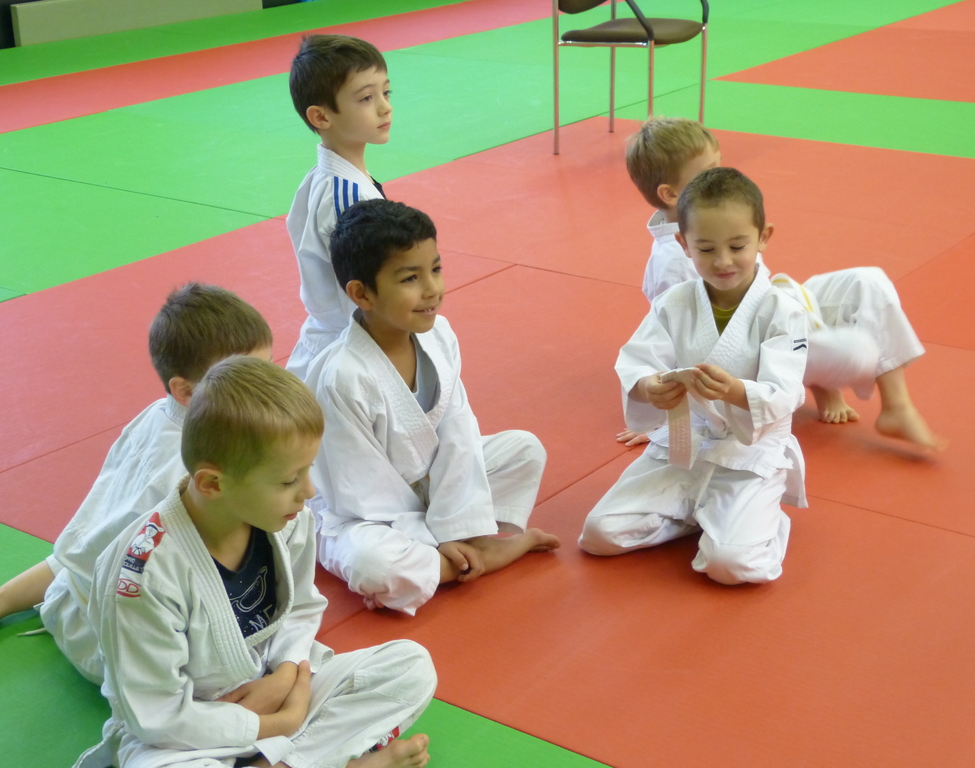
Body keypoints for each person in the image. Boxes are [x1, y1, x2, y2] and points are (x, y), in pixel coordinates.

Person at [74, 356, 436, 768]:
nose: (308, 491)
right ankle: (323, 759)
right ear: (213, 483)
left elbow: (300, 608)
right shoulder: (143, 573)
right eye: (288, 480)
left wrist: (286, 673)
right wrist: (278, 723)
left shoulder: (285, 518)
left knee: (409, 667)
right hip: (185, 736)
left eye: (307, 471)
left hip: (274, 689)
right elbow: (155, 715)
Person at [0, 284, 273, 685]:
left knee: (77, 555)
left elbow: (86, 541)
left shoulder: (157, 415)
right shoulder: (194, 469)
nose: (266, 390)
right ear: (186, 392)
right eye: (244, 381)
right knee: (242, 667)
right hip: (111, 636)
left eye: (268, 371)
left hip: (77, 579)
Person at [620, 116, 942, 450]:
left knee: (867, 281)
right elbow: (682, 344)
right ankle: (822, 381)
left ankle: (896, 406)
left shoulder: (717, 216)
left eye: (720, 164)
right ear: (671, 194)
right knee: (859, 351)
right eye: (707, 172)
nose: (720, 176)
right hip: (759, 347)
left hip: (778, 305)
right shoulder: (673, 263)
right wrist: (666, 416)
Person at [306, 199, 560, 615]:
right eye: (410, 278)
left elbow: (459, 432)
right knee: (375, 565)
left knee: (525, 449)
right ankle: (477, 554)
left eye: (436, 269)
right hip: (362, 514)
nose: (432, 290)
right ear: (361, 293)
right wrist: (438, 536)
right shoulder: (342, 376)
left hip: (429, 489)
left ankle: (449, 557)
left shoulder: (439, 334)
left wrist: (451, 526)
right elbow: (360, 494)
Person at [580, 168, 808, 585]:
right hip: (685, 445)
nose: (722, 261)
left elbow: (786, 391)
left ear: (763, 237)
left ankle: (759, 522)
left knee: (731, 565)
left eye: (737, 246)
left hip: (747, 452)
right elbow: (638, 360)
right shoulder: (675, 302)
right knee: (599, 533)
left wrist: (736, 391)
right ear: (684, 244)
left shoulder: (783, 311)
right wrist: (650, 388)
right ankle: (696, 517)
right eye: (705, 248)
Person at [286, 34, 393, 379]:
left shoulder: (323, 179)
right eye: (366, 98)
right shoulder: (348, 200)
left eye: (386, 92)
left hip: (337, 344)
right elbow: (365, 297)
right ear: (321, 116)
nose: (385, 107)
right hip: (348, 355)